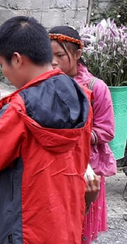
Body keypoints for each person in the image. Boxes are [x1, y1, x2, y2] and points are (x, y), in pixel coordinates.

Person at [0, 16, 93, 244]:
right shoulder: (80, 96)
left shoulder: (18, 110)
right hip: (64, 224)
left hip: (23, 230)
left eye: (1, 63)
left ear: (16, 59)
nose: (3, 71)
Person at [49, 26, 116, 243]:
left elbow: (106, 131)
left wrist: (77, 136)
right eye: (49, 56)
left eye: (60, 55)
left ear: (78, 55)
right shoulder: (47, 83)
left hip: (87, 169)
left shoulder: (97, 88)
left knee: (81, 227)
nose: (54, 62)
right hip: (56, 165)